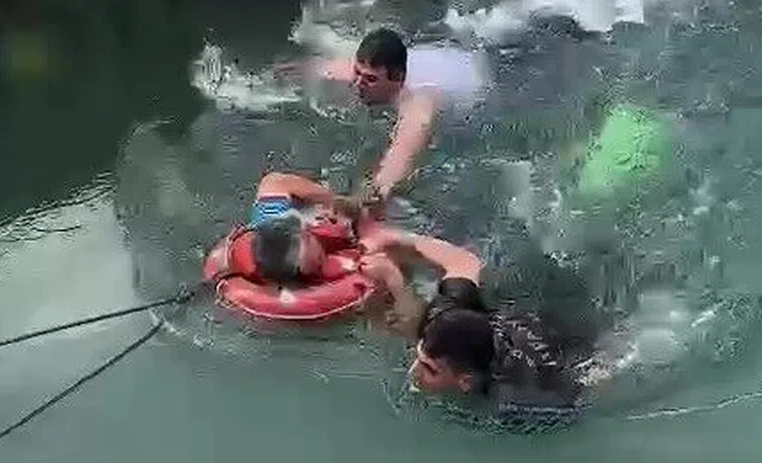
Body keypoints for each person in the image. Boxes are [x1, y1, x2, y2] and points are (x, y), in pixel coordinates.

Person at [207, 169, 481, 335]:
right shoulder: (339, 285)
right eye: (314, 256)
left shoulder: (270, 225)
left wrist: (337, 200)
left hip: (355, 227)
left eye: (307, 235)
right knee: (391, 236)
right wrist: (393, 278)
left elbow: (275, 181)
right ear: (305, 274)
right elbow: (405, 325)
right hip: (380, 254)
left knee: (374, 195)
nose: (314, 236)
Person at [281, 28, 489, 207]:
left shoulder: (419, 101)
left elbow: (403, 153)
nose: (358, 84)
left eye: (370, 80)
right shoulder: (368, 73)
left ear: (398, 79)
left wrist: (373, 193)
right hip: (437, 55)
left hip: (472, 82)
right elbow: (319, 69)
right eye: (357, 73)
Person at [408, 278, 584, 414]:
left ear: (465, 382)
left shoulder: (516, 396)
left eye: (430, 369)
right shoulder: (444, 314)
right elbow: (463, 261)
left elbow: (581, 400)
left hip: (575, 334)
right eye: (419, 354)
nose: (413, 370)